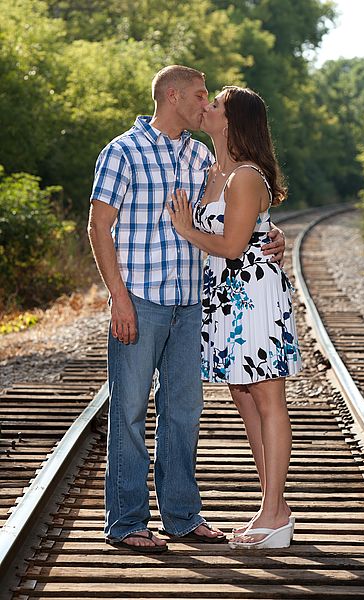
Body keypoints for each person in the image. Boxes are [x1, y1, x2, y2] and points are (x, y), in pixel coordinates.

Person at [87, 66, 286, 553]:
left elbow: (239, 208)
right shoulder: (122, 151)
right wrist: (118, 298)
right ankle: (128, 521)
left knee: (183, 413)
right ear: (172, 96)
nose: (205, 103)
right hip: (141, 299)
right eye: (200, 95)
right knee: (130, 412)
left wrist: (272, 234)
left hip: (193, 304)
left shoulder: (201, 156)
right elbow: (98, 227)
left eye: (210, 99)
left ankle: (181, 515)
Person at [167, 85, 302, 549]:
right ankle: (275, 509)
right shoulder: (211, 171)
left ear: (233, 120)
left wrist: (186, 229)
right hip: (224, 300)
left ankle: (273, 513)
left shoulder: (245, 175)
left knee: (267, 401)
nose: (207, 108)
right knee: (244, 402)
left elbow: (231, 245)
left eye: (216, 104)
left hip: (253, 296)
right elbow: (243, 231)